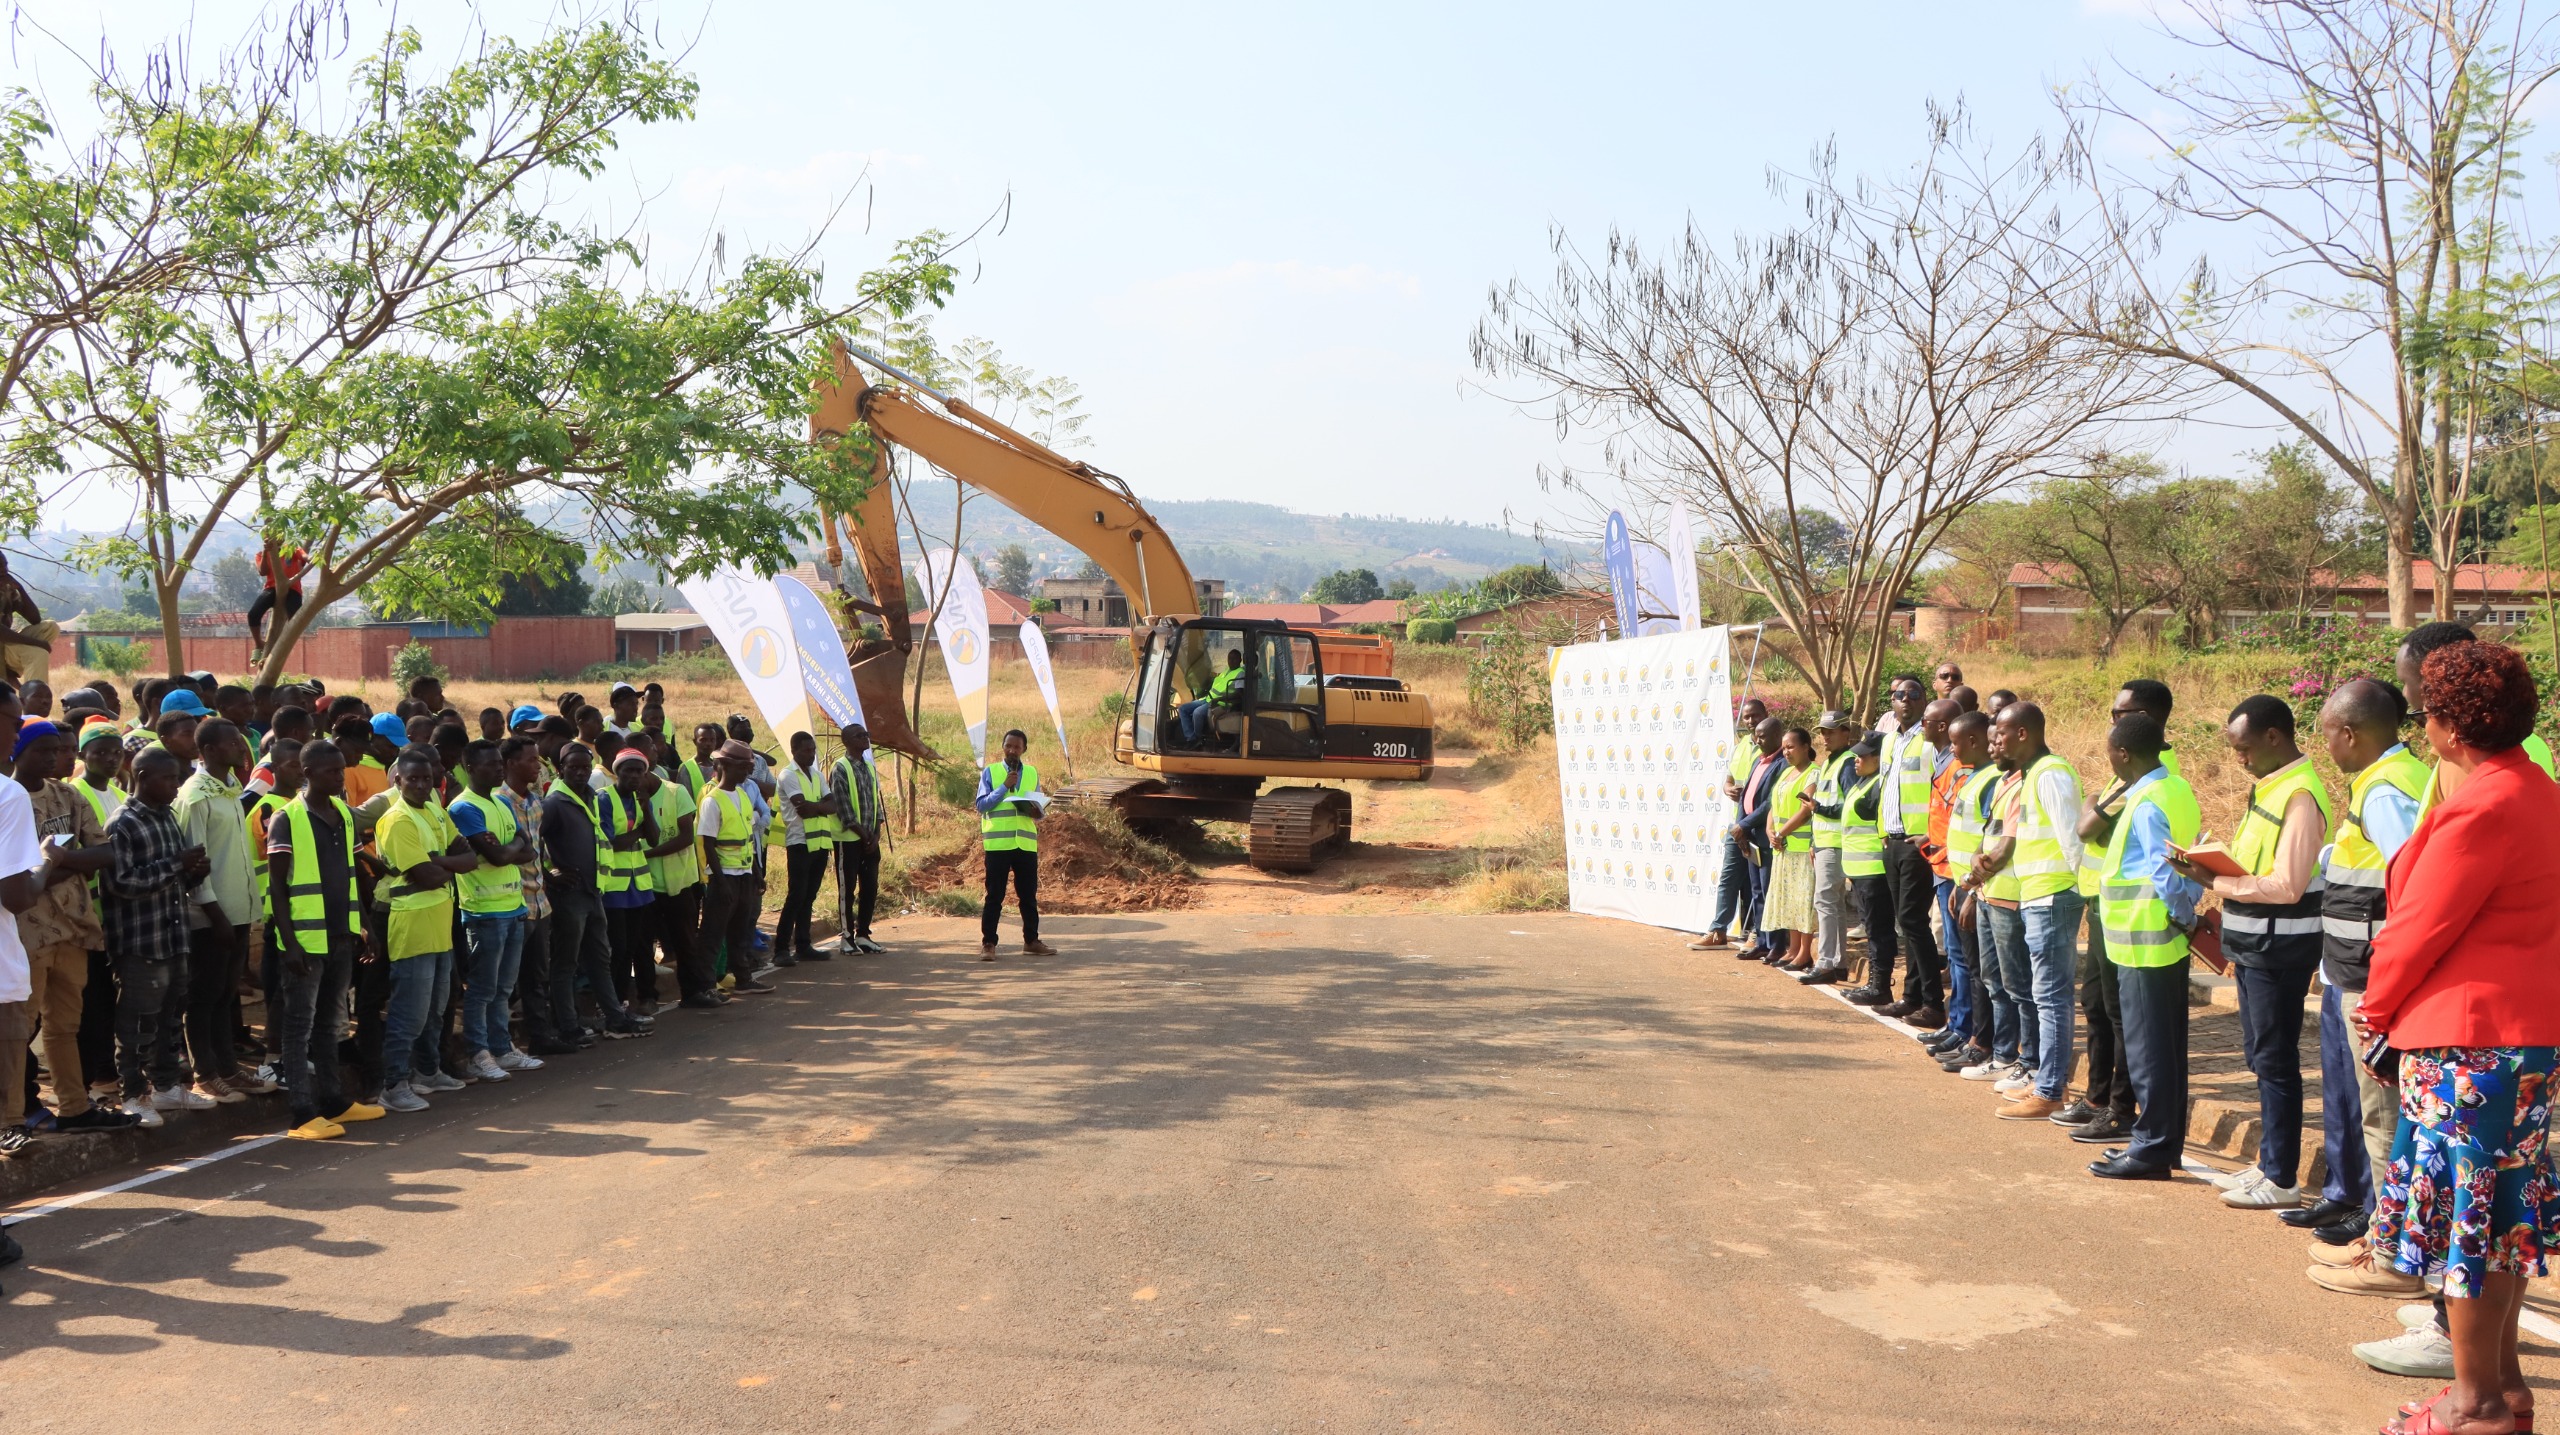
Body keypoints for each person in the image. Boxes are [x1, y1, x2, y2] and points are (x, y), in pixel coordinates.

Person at [2354, 639, 2558, 1435]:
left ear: (2448, 725)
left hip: (2466, 1040)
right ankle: (2502, 1389)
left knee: (2467, 1223)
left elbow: (2415, 928)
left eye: (2427, 714)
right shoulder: (2537, 790)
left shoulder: (2482, 805)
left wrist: (2376, 1012)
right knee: (2503, 1212)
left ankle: (2474, 1401)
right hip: (2525, 1040)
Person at [2173, 694, 2336, 1214]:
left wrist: (2216, 878)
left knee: (2276, 1058)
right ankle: (2270, 1162)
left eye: (2243, 749)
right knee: (2262, 1056)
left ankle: (2283, 1175)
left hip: (2279, 945)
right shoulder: (2272, 785)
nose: (2238, 760)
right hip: (2256, 941)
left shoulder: (2300, 795)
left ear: (2273, 737)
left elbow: (2287, 885)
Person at [2292, 679, 2428, 1252]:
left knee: (2382, 1114)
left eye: (2328, 736)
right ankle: (2383, 1223)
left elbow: (2410, 884)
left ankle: (2386, 1238)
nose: (2327, 748)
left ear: (2349, 733)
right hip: (2359, 966)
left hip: (2373, 974)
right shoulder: (2406, 776)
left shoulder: (2382, 791)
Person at [2084, 710, 2204, 1181]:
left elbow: (2163, 872)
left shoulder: (2148, 800)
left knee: (2148, 1051)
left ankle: (2152, 1147)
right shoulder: (2175, 789)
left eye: (2110, 750)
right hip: (2162, 940)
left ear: (2123, 754)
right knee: (2167, 1049)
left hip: (2145, 941)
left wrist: (2183, 914)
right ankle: (2163, 1143)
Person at [2062, 681, 2178, 1144]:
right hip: (2106, 905)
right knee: (2098, 1006)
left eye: (2121, 712)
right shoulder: (2129, 771)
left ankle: (2120, 1108)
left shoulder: (2150, 773)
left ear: (2147, 718)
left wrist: (2092, 802)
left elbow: (2087, 824)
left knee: (2120, 1015)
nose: (2112, 721)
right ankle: (2099, 1097)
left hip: (2135, 919)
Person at [10, 722, 126, 1137]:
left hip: (73, 928)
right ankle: (18, 1110)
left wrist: (55, 863)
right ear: (17, 751)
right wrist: (59, 862)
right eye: (41, 750)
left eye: (57, 749)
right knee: (19, 1029)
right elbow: (15, 875)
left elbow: (106, 851)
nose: (52, 757)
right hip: (26, 933)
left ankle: (74, 1107)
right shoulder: (9, 799)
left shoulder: (68, 795)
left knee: (65, 1025)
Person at [264, 740, 382, 1139]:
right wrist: (290, 943)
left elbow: (352, 877)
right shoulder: (287, 818)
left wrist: (365, 927)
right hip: (306, 941)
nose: (339, 777)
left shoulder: (344, 817)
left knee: (331, 1023)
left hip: (342, 937)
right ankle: (301, 1111)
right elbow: (277, 887)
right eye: (332, 772)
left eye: (340, 770)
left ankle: (334, 1100)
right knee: (299, 1027)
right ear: (307, 773)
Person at [102, 748, 214, 1126]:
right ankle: (133, 1094)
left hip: (173, 934)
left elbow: (175, 880)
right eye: (168, 778)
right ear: (143, 776)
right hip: (140, 941)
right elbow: (121, 883)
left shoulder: (167, 817)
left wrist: (194, 870)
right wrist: (175, 864)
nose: (175, 785)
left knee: (169, 1016)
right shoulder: (123, 823)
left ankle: (166, 1087)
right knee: (136, 1023)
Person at [172, 719, 269, 1104]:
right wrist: (215, 914)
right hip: (212, 915)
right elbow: (195, 864)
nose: (241, 748)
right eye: (232, 743)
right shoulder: (195, 796)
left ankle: (227, 1068)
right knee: (205, 994)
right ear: (209, 750)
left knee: (226, 993)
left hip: (239, 910)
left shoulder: (230, 789)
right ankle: (205, 1073)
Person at [375, 748, 475, 1114]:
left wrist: (440, 863)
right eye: (412, 779)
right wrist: (446, 865)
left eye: (426, 779)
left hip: (438, 921)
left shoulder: (434, 809)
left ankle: (427, 1072)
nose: (420, 784)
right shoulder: (398, 820)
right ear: (397, 781)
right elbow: (428, 875)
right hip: (412, 923)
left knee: (436, 1008)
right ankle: (394, 1083)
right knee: (410, 1012)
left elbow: (469, 858)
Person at [449, 739, 542, 1087]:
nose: (498, 769)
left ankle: (502, 1047)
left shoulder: (502, 802)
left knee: (503, 987)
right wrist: (510, 848)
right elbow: (502, 856)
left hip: (513, 905)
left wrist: (509, 847)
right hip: (483, 911)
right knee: (483, 988)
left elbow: (526, 849)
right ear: (470, 768)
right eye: (490, 765)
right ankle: (478, 1052)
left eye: (499, 764)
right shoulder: (464, 808)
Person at [541, 744, 652, 1036]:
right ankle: (567, 1025)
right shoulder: (554, 802)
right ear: (561, 768)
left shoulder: (589, 796)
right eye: (573, 767)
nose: (580, 772)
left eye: (585, 767)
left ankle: (615, 1018)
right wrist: (549, 875)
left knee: (600, 959)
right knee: (566, 963)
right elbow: (532, 840)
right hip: (570, 895)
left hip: (595, 892)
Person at [2397, 621, 2557, 790]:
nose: (2404, 694)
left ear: (2438, 677)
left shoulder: (2470, 755)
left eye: (2405, 682)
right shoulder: (2523, 739)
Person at [497, 735, 579, 1053]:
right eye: (531, 760)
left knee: (536, 974)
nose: (538, 765)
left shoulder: (533, 801)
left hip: (538, 898)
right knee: (506, 980)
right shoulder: (500, 802)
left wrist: (548, 874)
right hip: (513, 900)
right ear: (510, 764)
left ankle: (540, 1036)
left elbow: (537, 848)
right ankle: (500, 1044)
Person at [1929, 711, 1998, 1074]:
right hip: (1961, 882)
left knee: (1979, 971)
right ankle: (1966, 1032)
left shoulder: (1989, 780)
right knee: (1967, 964)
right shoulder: (1972, 777)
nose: (1952, 749)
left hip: (1976, 889)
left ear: (1974, 740)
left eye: (1956, 743)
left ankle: (1980, 1040)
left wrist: (1971, 889)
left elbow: (1990, 842)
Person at [1875, 679, 1946, 1023]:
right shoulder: (1891, 740)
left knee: (1913, 920)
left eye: (1914, 695)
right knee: (1908, 922)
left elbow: (1941, 789)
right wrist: (1882, 835)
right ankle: (1912, 996)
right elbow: (1886, 788)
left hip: (1918, 843)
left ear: (1924, 702)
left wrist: (1929, 836)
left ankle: (1932, 1002)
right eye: (1899, 696)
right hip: (1891, 841)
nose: (1905, 701)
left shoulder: (1929, 741)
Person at [639, 740, 715, 1009]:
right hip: (644, 885)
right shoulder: (625, 798)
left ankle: (693, 992)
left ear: (647, 769)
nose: (635, 779)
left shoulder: (675, 792)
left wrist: (647, 854)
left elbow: (685, 837)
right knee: (643, 944)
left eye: (639, 772)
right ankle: (647, 996)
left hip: (680, 882)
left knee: (685, 939)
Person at [696, 739, 775, 993]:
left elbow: (747, 839)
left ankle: (743, 979)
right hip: (724, 878)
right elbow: (708, 845)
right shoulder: (713, 800)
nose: (748, 772)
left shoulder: (742, 794)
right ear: (726, 766)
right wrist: (719, 880)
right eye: (744, 767)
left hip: (743, 874)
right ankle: (706, 985)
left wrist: (756, 873)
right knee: (713, 935)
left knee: (740, 932)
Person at [1694, 697, 1770, 950]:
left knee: (1757, 883)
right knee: (1729, 878)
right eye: (1747, 717)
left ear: (1765, 715)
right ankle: (1718, 931)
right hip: (1736, 824)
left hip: (1759, 827)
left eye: (1755, 716)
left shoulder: (1773, 746)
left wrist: (1748, 822)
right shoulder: (1739, 747)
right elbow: (1728, 779)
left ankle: (1756, 933)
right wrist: (1728, 788)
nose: (1751, 721)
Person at [976, 728, 1057, 959]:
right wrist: (1003, 787)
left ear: (1024, 750)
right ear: (1002, 747)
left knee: (1029, 897)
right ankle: (989, 944)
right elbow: (981, 805)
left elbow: (1039, 811)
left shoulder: (1031, 773)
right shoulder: (990, 772)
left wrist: (1037, 810)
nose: (1012, 750)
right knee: (994, 897)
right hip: (998, 845)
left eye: (1017, 747)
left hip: (1025, 844)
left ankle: (1031, 941)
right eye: (1008, 746)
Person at [1795, 711, 1860, 986]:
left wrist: (1819, 809)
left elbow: (1850, 805)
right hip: (1824, 843)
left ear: (1846, 732)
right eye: (1822, 732)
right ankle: (1838, 963)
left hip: (1835, 844)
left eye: (1831, 731)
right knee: (1833, 904)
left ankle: (1827, 962)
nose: (1824, 737)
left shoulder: (1845, 763)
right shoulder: (1829, 764)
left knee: (1826, 901)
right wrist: (1813, 840)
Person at [1718, 716, 1786, 962]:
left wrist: (1744, 825)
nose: (1758, 739)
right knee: (1756, 891)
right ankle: (1763, 941)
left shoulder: (1781, 764)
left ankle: (1777, 944)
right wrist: (1740, 826)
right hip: (1750, 835)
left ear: (1778, 735)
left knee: (1769, 891)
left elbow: (1769, 803)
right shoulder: (1759, 760)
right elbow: (1745, 796)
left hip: (1767, 836)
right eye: (1756, 735)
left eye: (1763, 735)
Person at [599, 748, 661, 1007]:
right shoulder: (604, 798)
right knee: (618, 949)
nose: (635, 776)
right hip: (614, 886)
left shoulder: (639, 799)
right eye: (629, 770)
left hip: (638, 885)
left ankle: (623, 1002)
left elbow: (655, 838)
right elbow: (612, 842)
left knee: (635, 947)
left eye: (640, 771)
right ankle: (612, 1003)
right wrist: (638, 833)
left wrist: (646, 809)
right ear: (617, 772)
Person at [1835, 732, 1894, 1005]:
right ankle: (1875, 983)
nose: (1856, 760)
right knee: (1873, 928)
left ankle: (1880, 985)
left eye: (1863, 756)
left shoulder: (1880, 785)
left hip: (1874, 871)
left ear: (1879, 758)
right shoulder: (1862, 783)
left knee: (1879, 930)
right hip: (1860, 871)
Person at [775, 730, 840, 966]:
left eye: (813, 750)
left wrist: (817, 807)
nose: (812, 754)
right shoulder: (788, 775)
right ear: (794, 750)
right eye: (806, 750)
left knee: (809, 896)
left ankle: (803, 944)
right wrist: (820, 806)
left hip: (820, 841)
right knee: (796, 895)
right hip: (799, 841)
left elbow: (833, 805)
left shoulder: (816, 774)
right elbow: (801, 807)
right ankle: (781, 948)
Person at [1759, 728, 1819, 969]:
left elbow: (1805, 810)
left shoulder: (1814, 773)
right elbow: (1774, 805)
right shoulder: (1785, 773)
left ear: (1806, 746)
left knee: (1804, 901)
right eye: (1784, 748)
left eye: (1791, 747)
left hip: (1802, 848)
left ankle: (1805, 952)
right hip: (1782, 848)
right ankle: (1793, 948)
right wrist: (1769, 830)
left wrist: (1781, 833)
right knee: (1791, 902)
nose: (1786, 752)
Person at [830, 723, 887, 955]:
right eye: (860, 735)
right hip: (848, 840)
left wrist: (876, 834)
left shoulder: (870, 768)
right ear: (847, 741)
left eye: (867, 734)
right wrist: (865, 837)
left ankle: (863, 934)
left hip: (869, 840)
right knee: (848, 889)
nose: (866, 737)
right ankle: (846, 938)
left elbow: (876, 803)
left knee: (870, 887)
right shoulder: (840, 768)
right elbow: (844, 811)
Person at [0, 550, 58, 686]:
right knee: (38, 653)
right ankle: (33, 699)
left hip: (6, 644)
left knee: (51, 627)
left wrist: (19, 588)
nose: (4, 570)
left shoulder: (7, 589)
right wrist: (37, 644)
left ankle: (11, 670)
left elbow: (35, 619)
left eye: (5, 565)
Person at [247, 543, 309, 658]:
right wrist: (266, 553)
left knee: (295, 619)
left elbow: (305, 557)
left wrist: (315, 559)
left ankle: (283, 645)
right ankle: (259, 643)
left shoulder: (292, 549)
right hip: (271, 588)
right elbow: (263, 572)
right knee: (253, 614)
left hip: (293, 589)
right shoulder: (261, 555)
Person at [1179, 649, 1247, 748]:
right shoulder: (1227, 671)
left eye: (1234, 659)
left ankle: (1197, 740)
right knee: (1183, 709)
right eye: (1229, 659)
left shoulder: (1240, 673)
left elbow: (1238, 694)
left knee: (1197, 713)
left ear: (1240, 660)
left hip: (1220, 703)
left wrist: (1220, 699)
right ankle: (1191, 738)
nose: (1231, 661)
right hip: (1208, 699)